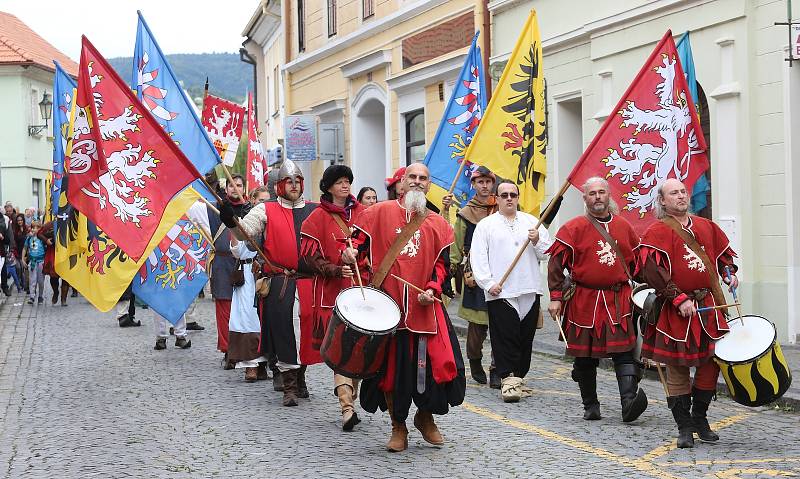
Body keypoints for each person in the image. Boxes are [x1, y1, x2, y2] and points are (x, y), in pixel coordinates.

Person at [342, 163, 465, 453]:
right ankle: (398, 426)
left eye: (423, 178)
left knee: (438, 367)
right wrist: (349, 254)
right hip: (388, 307)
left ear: (428, 184)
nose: (417, 182)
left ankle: (425, 417)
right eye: (413, 177)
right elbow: (355, 247)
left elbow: (441, 266)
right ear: (402, 181)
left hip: (425, 309)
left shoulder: (439, 224)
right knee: (390, 372)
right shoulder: (376, 213)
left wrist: (433, 289)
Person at [637, 178, 738, 449]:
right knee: (678, 368)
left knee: (711, 361)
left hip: (708, 307)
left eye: (683, 191)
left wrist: (729, 275)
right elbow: (652, 272)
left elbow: (723, 258)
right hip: (676, 310)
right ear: (662, 200)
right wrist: (678, 298)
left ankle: (699, 418)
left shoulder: (706, 226)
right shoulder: (656, 232)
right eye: (674, 193)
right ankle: (684, 427)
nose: (681, 196)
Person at [547, 177, 647, 423]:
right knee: (585, 357)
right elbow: (556, 264)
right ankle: (590, 405)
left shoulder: (624, 227)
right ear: (585, 198)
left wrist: (651, 290)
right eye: (592, 194)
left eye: (602, 192)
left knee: (624, 352)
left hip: (618, 299)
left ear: (608, 195)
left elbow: (638, 264)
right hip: (585, 299)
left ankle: (628, 403)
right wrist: (556, 298)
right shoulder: (572, 228)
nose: (598, 197)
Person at [223, 160, 317, 407]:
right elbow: (246, 232)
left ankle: (301, 376)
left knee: (306, 332)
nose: (294, 185)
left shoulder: (315, 210)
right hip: (279, 282)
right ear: (279, 185)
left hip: (308, 283)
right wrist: (232, 222)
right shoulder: (265, 210)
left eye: (298, 181)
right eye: (289, 181)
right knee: (283, 331)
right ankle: (288, 384)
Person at [470, 181, 552, 403]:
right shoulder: (486, 225)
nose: (509, 198)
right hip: (501, 291)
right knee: (505, 337)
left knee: (525, 337)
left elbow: (547, 251)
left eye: (513, 195)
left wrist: (536, 240)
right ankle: (507, 378)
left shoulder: (531, 222)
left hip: (528, 287)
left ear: (517, 198)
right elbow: (477, 257)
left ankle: (518, 377)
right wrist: (488, 283)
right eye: (504, 195)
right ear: (496, 198)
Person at [298, 165, 365, 430]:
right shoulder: (316, 218)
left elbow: (375, 243)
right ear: (328, 187)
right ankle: (347, 407)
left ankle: (351, 391)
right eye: (339, 182)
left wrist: (361, 257)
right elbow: (310, 258)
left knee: (360, 347)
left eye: (348, 181)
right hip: (332, 292)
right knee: (342, 348)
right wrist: (337, 267)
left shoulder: (364, 214)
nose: (345, 185)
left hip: (362, 289)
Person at [442, 166, 499, 387]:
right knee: (477, 328)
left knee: (500, 326)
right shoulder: (465, 214)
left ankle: (497, 369)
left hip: (501, 274)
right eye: (480, 182)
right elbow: (456, 244)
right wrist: (450, 270)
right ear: (473, 185)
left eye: (488, 181)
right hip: (474, 273)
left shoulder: (501, 207)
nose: (484, 186)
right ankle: (475, 361)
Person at [209, 174, 251, 369]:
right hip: (223, 264)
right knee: (224, 308)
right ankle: (228, 351)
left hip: (246, 264)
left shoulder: (251, 210)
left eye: (239, 185)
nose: (235, 189)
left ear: (244, 188)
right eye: (232, 186)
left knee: (245, 309)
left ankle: (247, 350)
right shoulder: (216, 208)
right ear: (226, 190)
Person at [228, 186, 271, 382]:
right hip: (248, 276)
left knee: (265, 320)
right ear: (253, 201)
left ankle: (263, 363)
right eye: (260, 200)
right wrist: (232, 226)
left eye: (267, 200)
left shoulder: (273, 222)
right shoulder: (245, 224)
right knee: (247, 319)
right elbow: (237, 250)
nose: (264, 204)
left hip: (268, 275)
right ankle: (250, 365)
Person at [38, 220, 71, 306]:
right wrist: (46, 240)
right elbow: (39, 233)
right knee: (54, 277)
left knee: (66, 277)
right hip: (53, 253)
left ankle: (63, 299)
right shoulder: (51, 224)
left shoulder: (70, 222)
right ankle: (56, 292)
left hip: (66, 252)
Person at [22, 221, 46, 305]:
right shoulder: (29, 238)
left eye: (37, 227)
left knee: (41, 281)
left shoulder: (42, 239)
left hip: (41, 262)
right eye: (33, 227)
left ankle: (40, 296)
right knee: (32, 280)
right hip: (32, 262)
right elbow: (25, 248)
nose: (34, 229)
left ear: (40, 229)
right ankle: (32, 296)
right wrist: (23, 259)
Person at [12, 214, 29, 293]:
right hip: (18, 252)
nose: (20, 222)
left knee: (25, 269)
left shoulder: (27, 228)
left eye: (21, 220)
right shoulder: (15, 230)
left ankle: (25, 285)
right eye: (18, 220)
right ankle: (22, 283)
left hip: (27, 252)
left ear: (23, 220)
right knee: (19, 268)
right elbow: (14, 242)